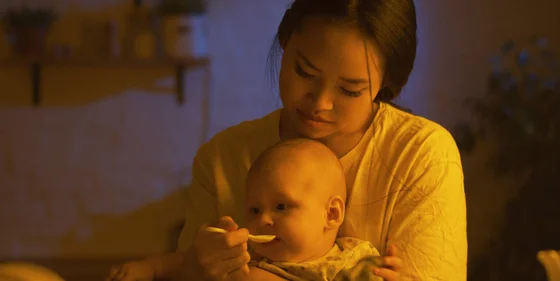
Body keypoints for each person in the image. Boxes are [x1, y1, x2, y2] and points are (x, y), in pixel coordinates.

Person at [118, 0, 468, 280]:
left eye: (350, 90)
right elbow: (182, 266)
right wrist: (197, 271)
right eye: (304, 72)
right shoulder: (224, 157)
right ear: (284, 41)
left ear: (385, 84)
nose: (319, 104)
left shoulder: (421, 156)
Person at [107, 139, 383, 281]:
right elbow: (184, 260)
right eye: (253, 210)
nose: (263, 219)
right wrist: (148, 268)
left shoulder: (352, 262)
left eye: (281, 206)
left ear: (331, 214)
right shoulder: (246, 253)